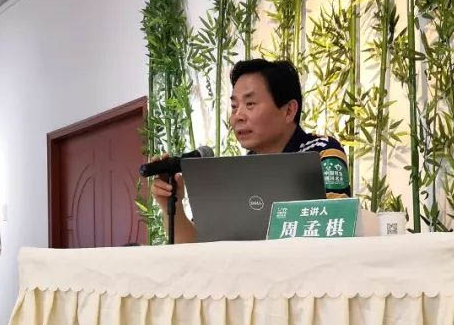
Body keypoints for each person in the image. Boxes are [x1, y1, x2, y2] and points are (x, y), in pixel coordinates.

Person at [150, 59, 351, 244]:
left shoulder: (321, 152)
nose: (238, 116)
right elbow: (199, 246)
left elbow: (338, 228)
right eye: (234, 106)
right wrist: (172, 206)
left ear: (289, 110)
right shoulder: (236, 173)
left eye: (250, 104)